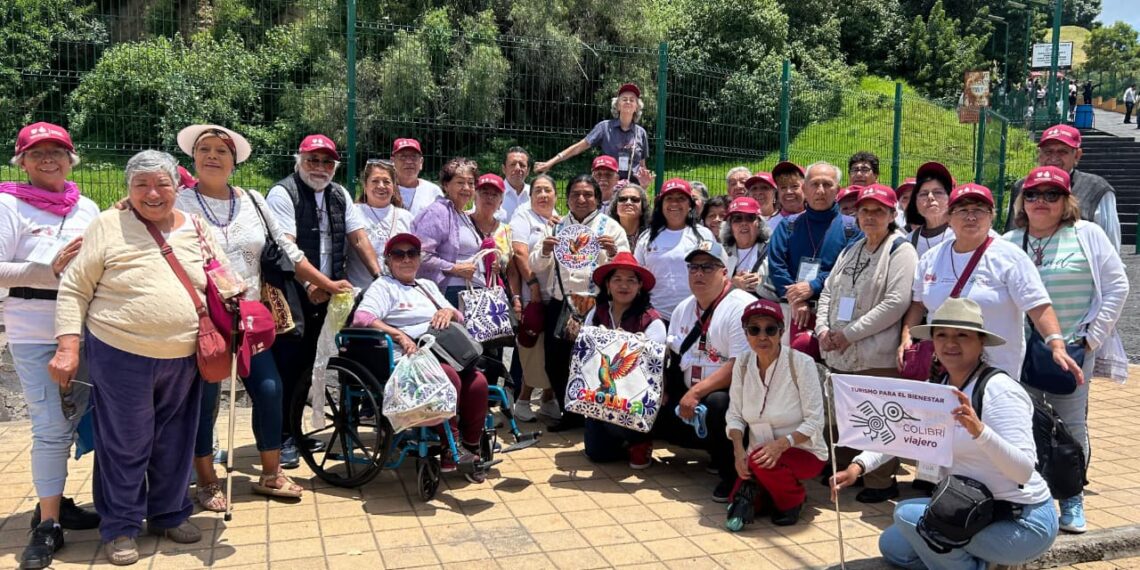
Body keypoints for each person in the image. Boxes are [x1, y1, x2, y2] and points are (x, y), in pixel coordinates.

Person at [50, 150, 227, 565]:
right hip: (121, 352)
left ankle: (168, 514)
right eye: (141, 185)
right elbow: (75, 288)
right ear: (127, 189)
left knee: (175, 441)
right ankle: (120, 527)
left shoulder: (196, 226)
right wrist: (68, 346)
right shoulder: (108, 224)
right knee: (125, 443)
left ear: (178, 187)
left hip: (185, 355)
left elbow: (220, 276)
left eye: (162, 184)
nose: (152, 193)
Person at [174, 124, 351, 510]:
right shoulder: (178, 203)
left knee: (270, 390)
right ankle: (206, 480)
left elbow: (288, 250)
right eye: (205, 149)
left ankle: (271, 473)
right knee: (205, 401)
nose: (212, 156)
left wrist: (324, 283)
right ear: (193, 157)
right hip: (204, 321)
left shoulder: (253, 200)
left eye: (222, 151)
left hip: (250, 318)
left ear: (234, 161)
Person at [834, 298, 1059, 570]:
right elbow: (901, 433)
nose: (950, 343)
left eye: (962, 335)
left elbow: (1022, 471)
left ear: (981, 342)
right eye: (941, 335)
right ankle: (979, 562)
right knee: (893, 545)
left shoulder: (1000, 391)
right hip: (969, 508)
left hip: (1019, 521)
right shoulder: (937, 387)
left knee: (906, 515)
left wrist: (980, 432)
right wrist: (858, 466)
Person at [1003, 165, 1129, 534]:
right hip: (1020, 354)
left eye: (1051, 194)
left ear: (1066, 201)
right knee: (1021, 424)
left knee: (1070, 427)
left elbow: (1117, 286)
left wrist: (1090, 340)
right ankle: (1032, 496)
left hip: (1071, 351)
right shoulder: (1010, 241)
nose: (1040, 201)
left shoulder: (1087, 234)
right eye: (1032, 194)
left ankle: (1072, 498)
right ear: (1022, 202)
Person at [1, 121, 100, 570]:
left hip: (89, 330)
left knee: (79, 421)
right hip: (35, 330)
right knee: (50, 427)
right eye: (36, 152)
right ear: (21, 161)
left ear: (70, 158)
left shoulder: (88, 207)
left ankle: (55, 502)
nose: (48, 159)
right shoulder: (8, 205)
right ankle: (48, 525)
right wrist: (48, 270)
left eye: (56, 151)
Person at [265, 134, 380, 468]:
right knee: (289, 364)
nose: (319, 167)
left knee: (312, 363)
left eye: (327, 162)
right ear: (299, 161)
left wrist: (380, 277)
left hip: (328, 291)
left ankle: (295, 431)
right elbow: (286, 247)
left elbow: (358, 238)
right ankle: (282, 438)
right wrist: (311, 282)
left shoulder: (338, 194)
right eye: (312, 160)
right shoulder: (283, 193)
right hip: (293, 290)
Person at [900, 182, 1081, 383]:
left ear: (991, 217)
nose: (971, 217)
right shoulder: (931, 258)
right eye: (962, 210)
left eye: (979, 210)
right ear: (949, 217)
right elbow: (918, 304)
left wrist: (1056, 345)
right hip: (942, 367)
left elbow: (1037, 305)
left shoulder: (1010, 257)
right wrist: (906, 338)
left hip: (994, 370)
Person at [351, 233, 490, 482]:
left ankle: (471, 447)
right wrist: (399, 335)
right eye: (398, 254)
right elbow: (362, 318)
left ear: (419, 258)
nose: (406, 259)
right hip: (406, 356)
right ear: (388, 260)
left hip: (441, 352)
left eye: (412, 253)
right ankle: (450, 445)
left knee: (478, 382)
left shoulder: (427, 285)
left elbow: (459, 315)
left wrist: (447, 311)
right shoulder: (384, 286)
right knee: (446, 376)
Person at [816, 185, 918, 503]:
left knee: (879, 419)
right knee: (845, 416)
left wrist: (849, 334)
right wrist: (822, 328)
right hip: (839, 350)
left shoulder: (901, 250)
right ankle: (847, 470)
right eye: (864, 210)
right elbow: (828, 291)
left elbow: (896, 303)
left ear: (891, 214)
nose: (870, 217)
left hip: (874, 354)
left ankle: (880, 481)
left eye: (878, 211)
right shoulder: (851, 249)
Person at [654, 240, 755, 501]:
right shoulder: (683, 308)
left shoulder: (741, 307)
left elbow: (740, 366)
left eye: (708, 267)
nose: (699, 273)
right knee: (652, 407)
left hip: (734, 393)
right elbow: (674, 357)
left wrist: (695, 393)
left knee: (718, 405)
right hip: (694, 388)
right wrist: (663, 390)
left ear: (724, 272)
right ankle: (713, 451)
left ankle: (732, 475)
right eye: (694, 267)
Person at [531, 174, 629, 431]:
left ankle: (595, 415)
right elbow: (536, 265)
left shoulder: (611, 228)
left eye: (588, 194)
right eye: (575, 194)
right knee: (556, 361)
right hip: (561, 303)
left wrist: (613, 253)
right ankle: (570, 413)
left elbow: (626, 266)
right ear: (567, 199)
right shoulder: (556, 226)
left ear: (597, 198)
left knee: (596, 363)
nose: (581, 199)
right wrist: (544, 251)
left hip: (597, 305)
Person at [725, 299, 826, 529]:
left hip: (803, 450)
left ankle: (793, 501)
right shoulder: (742, 363)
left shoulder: (801, 363)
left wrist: (781, 445)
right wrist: (738, 451)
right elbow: (735, 415)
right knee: (737, 504)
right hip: (758, 453)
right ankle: (768, 491)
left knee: (760, 463)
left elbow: (815, 420)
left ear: (781, 332)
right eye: (754, 330)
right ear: (746, 334)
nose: (762, 336)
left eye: (770, 329)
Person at [581, 253, 665, 469]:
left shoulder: (652, 320)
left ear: (640, 287)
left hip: (636, 393)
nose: (624, 285)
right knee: (597, 454)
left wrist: (623, 344)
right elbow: (585, 352)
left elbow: (652, 367)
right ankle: (622, 441)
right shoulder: (596, 313)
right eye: (617, 279)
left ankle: (640, 439)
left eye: (631, 280)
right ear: (608, 285)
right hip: (601, 391)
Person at [768, 161, 861, 345]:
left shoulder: (852, 228)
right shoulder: (788, 225)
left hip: (835, 312)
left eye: (827, 184)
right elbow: (776, 266)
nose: (820, 190)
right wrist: (796, 298)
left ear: (837, 190)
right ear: (804, 188)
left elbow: (849, 270)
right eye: (815, 184)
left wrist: (814, 285)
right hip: (794, 312)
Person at [1003, 124, 1120, 252]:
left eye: (1062, 152)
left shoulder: (1096, 188)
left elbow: (1111, 244)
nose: (1054, 158)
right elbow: (1012, 228)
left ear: (1077, 156)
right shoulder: (1022, 186)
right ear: (1040, 155)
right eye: (1048, 152)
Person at [508, 174, 561, 422]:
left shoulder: (561, 219)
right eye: (537, 190)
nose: (543, 195)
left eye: (547, 190)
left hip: (557, 296)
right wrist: (533, 286)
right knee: (533, 352)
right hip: (534, 298)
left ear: (556, 195)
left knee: (553, 351)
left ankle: (548, 400)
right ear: (530, 196)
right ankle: (522, 400)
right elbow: (519, 253)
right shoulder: (523, 216)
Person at [535, 83, 651, 184]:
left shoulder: (641, 133)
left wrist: (645, 182)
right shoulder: (604, 127)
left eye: (632, 100)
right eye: (624, 99)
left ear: (637, 107)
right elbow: (578, 147)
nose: (628, 102)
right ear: (617, 105)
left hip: (632, 189)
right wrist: (551, 162)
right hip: (609, 187)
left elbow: (642, 166)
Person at [634, 178, 715, 323]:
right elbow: (636, 275)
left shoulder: (704, 235)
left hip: (695, 315)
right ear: (661, 204)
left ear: (690, 205)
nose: (674, 203)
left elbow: (715, 271)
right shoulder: (646, 237)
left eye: (681, 199)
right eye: (669, 198)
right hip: (655, 316)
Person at [412, 157, 484, 306]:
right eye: (460, 182)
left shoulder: (464, 215)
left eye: (471, 183)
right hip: (451, 292)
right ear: (446, 185)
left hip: (473, 291)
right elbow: (421, 255)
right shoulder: (438, 212)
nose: (466, 188)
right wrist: (454, 268)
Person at [347, 159, 414, 288]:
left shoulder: (406, 217)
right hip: (362, 291)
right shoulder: (353, 213)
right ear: (365, 185)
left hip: (398, 291)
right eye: (375, 181)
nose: (381, 186)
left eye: (386, 181)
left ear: (394, 186)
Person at [721, 197, 772, 299]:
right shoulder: (721, 253)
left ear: (759, 223)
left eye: (750, 218)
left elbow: (783, 287)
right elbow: (710, 288)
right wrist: (732, 284)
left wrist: (761, 283)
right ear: (730, 226)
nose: (743, 223)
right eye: (737, 219)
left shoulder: (772, 250)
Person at [904, 162, 956, 259]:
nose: (930, 197)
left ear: (950, 198)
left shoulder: (961, 236)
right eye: (924, 194)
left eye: (938, 192)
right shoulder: (908, 242)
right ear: (915, 202)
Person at [392, 137, 443, 217]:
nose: (409, 161)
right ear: (393, 161)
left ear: (421, 162)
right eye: (403, 157)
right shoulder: (385, 189)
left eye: (414, 157)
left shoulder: (433, 191)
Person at [608, 181, 650, 249]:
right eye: (622, 199)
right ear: (615, 207)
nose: (628, 202)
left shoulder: (651, 235)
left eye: (634, 199)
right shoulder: (607, 233)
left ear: (643, 208)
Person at [770, 161, 807, 232]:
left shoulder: (816, 219)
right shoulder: (769, 226)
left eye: (794, 186)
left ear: (805, 188)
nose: (788, 192)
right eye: (783, 187)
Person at [498, 146, 531, 222]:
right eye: (513, 164)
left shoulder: (535, 194)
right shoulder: (492, 193)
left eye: (522, 165)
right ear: (504, 169)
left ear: (528, 171)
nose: (517, 168)